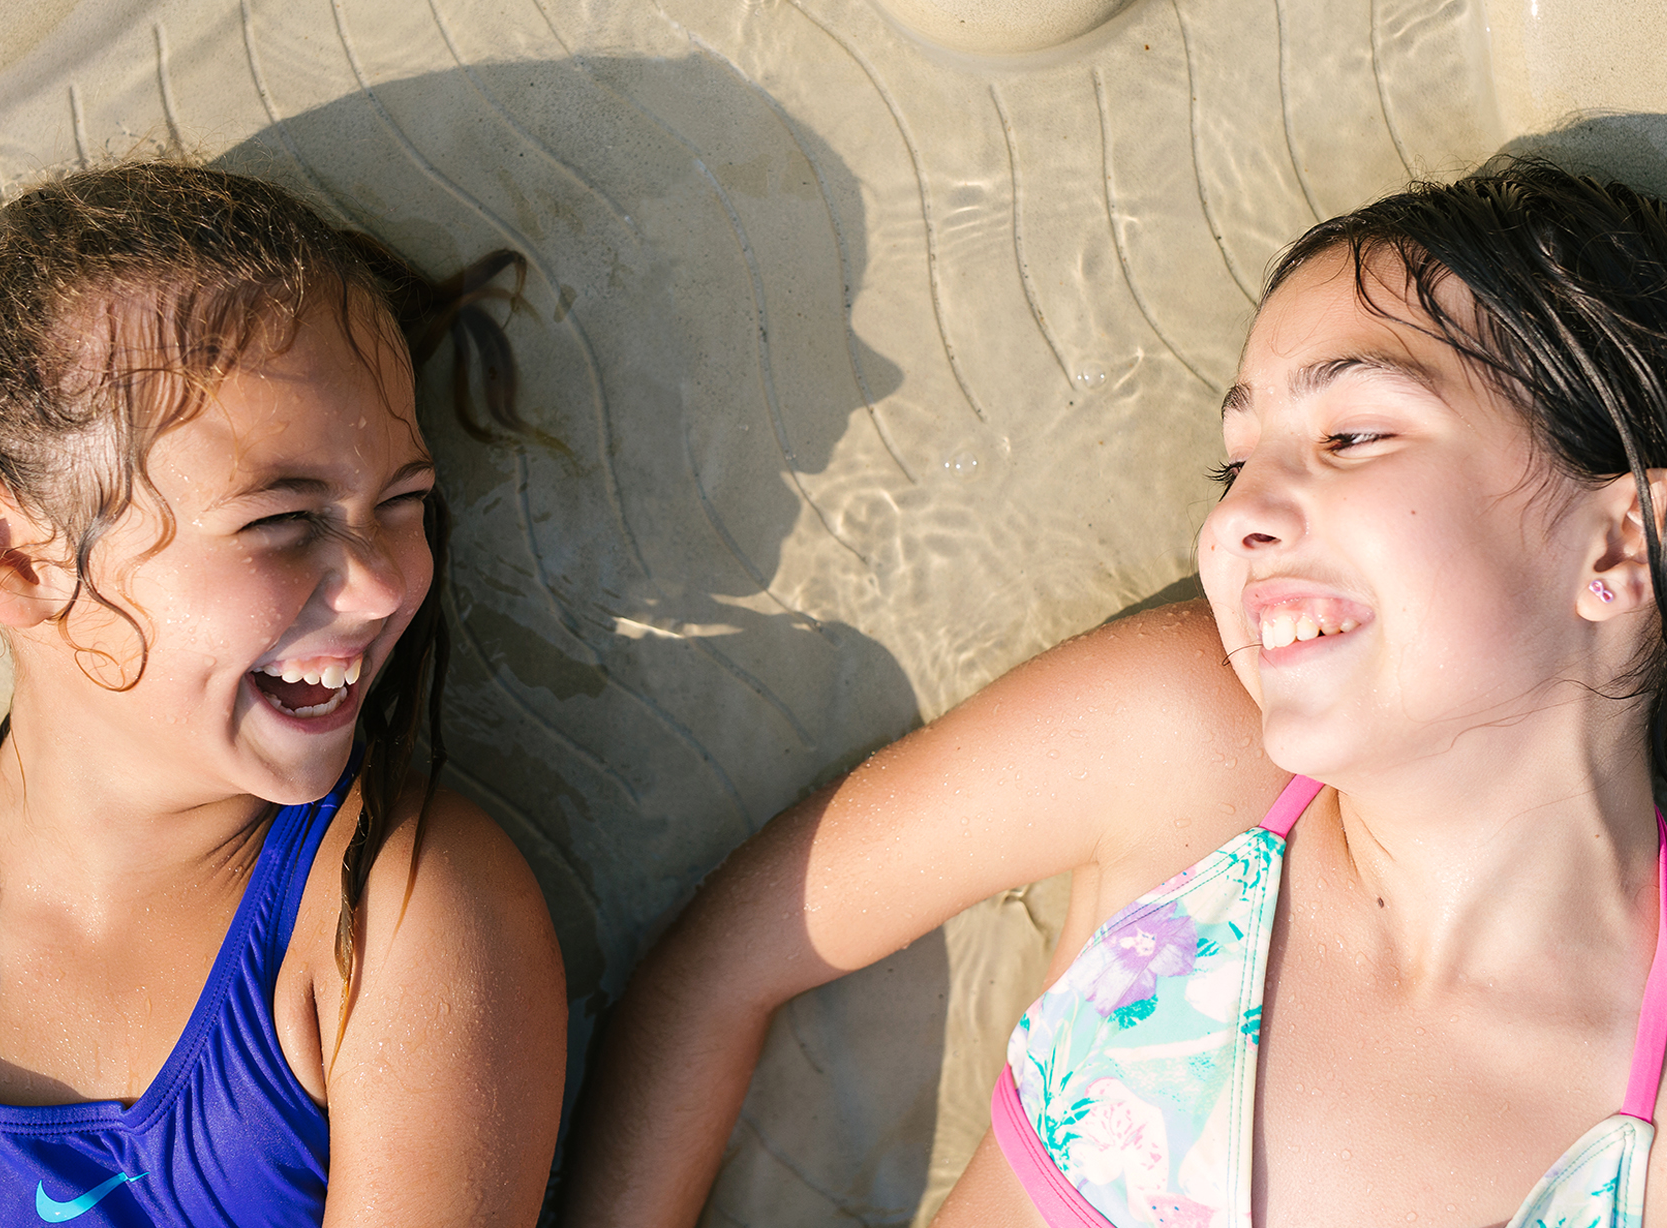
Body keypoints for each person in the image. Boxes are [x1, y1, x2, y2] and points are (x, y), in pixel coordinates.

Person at [563, 157, 1667, 1226]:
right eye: (1234, 463)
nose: (1241, 515)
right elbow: (719, 967)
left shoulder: (1641, 1119)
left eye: (1351, 435)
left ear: (1623, 539)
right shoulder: (1182, 747)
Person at [0, 161, 565, 1226]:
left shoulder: (390, 926)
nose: (386, 580)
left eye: (403, 501)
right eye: (282, 518)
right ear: (12, 555)